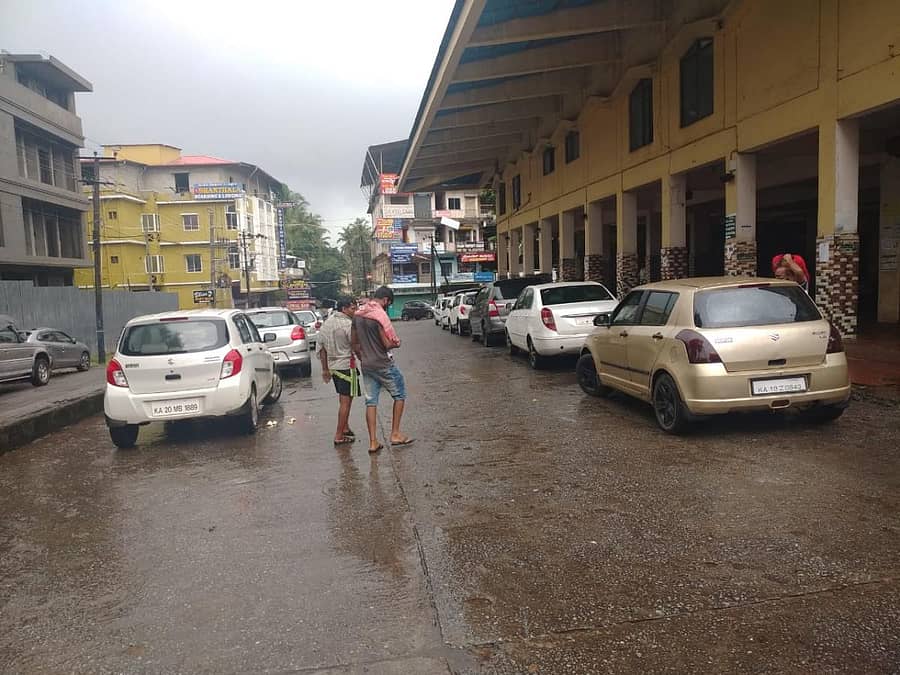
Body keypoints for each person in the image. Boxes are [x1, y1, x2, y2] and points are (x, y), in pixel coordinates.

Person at [351, 286, 414, 453]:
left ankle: (373, 442)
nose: (387, 306)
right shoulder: (378, 317)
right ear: (385, 300)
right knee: (400, 394)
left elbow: (354, 343)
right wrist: (397, 343)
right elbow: (387, 344)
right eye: (389, 303)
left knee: (371, 402)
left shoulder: (358, 316)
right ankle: (395, 434)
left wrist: (362, 357)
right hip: (383, 364)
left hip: (367, 365)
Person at [317, 296, 360, 446]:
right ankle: (339, 435)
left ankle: (345, 427)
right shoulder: (348, 325)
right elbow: (355, 345)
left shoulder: (327, 324)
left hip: (334, 367)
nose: (356, 311)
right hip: (346, 366)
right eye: (353, 308)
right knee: (345, 402)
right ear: (344, 309)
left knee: (345, 399)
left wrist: (325, 369)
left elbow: (322, 349)